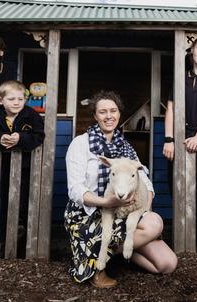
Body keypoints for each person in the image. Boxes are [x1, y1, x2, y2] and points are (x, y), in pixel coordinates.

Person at [64, 91, 177, 288]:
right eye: (103, 112)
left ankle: (118, 250)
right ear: (95, 116)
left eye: (113, 111)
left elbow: (146, 182)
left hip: (121, 212)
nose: (109, 116)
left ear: (119, 114)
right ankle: (96, 264)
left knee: (167, 264)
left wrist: (143, 211)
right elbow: (75, 190)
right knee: (153, 225)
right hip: (88, 213)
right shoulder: (81, 144)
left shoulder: (125, 147)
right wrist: (107, 202)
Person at [0, 80, 45, 244]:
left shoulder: (31, 115)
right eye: (11, 99)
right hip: (4, 165)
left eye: (20, 99)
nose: (17, 102)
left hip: (26, 167)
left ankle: (25, 234)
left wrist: (21, 137)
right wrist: (0, 138)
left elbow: (39, 136)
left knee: (25, 199)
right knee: (4, 198)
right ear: (0, 100)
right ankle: (2, 235)